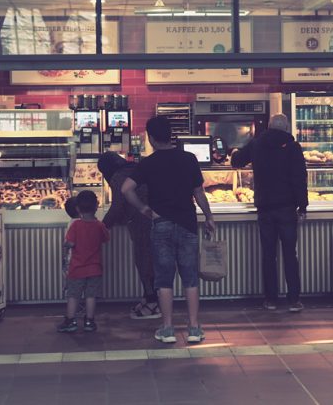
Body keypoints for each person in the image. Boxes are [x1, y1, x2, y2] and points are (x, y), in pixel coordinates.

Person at [122, 116, 215, 344]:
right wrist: (209, 216)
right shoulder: (189, 158)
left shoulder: (148, 163)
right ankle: (194, 328)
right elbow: (199, 193)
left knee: (164, 279)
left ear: (151, 138)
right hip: (187, 224)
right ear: (171, 135)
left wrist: (144, 209)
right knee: (190, 278)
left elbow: (126, 189)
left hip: (161, 224)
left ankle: (167, 329)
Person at [230, 113, 308, 313]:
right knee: (290, 254)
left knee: (268, 255)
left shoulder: (257, 144)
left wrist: (234, 151)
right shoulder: (293, 147)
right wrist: (303, 207)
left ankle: (271, 300)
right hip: (287, 208)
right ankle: (294, 300)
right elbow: (300, 178)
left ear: (269, 126)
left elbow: (236, 161)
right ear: (287, 127)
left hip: (265, 208)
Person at [97, 151, 160, 320]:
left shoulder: (118, 177)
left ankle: (152, 303)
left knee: (143, 260)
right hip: (155, 218)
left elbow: (117, 207)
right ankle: (148, 298)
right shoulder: (136, 168)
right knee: (149, 260)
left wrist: (102, 227)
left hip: (141, 222)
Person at [57, 190, 111, 333]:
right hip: (95, 268)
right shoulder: (99, 225)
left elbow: (70, 243)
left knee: (73, 295)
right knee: (91, 295)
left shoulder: (75, 225)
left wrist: (65, 246)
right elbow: (106, 238)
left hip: (77, 268)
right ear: (96, 206)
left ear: (78, 208)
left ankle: (70, 321)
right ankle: (89, 321)